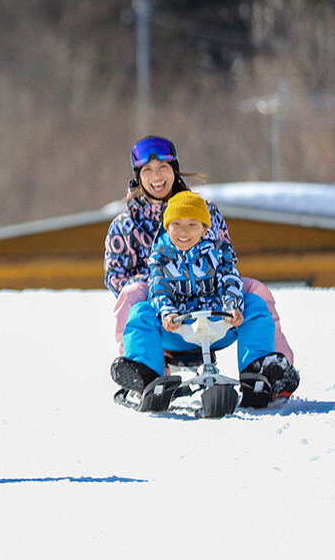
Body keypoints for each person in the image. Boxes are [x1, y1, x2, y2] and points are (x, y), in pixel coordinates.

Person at [104, 135, 295, 364]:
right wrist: (163, 277)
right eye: (147, 170)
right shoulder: (126, 224)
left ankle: (273, 365)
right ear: (138, 176)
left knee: (256, 292)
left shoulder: (204, 211)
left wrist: (203, 274)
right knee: (131, 295)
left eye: (163, 167)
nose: (156, 176)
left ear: (174, 170)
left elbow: (225, 254)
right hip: (157, 290)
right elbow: (115, 274)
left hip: (208, 283)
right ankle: (139, 366)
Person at [111, 190, 299, 409]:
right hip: (177, 330)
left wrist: (232, 306)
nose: (184, 231)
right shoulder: (160, 258)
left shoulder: (219, 254)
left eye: (192, 225)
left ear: (204, 229)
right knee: (141, 312)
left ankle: (256, 370)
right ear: (166, 226)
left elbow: (230, 280)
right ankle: (145, 375)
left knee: (254, 304)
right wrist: (167, 312)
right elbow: (159, 289)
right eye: (177, 224)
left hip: (218, 326)